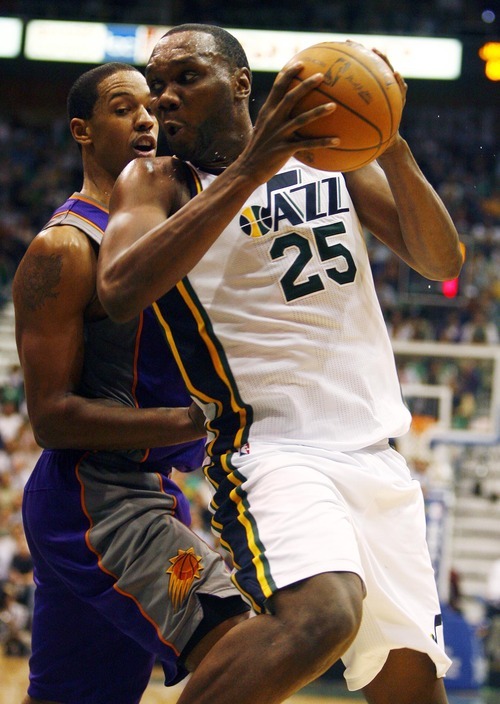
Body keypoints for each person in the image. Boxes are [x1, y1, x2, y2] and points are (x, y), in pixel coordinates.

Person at [97, 25, 464, 704]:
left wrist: (394, 145)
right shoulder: (155, 182)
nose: (164, 98)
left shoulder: (331, 159)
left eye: (186, 78)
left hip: (376, 457)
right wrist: (250, 169)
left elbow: (441, 261)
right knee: (322, 613)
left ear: (241, 84)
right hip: (274, 449)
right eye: (158, 84)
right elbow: (119, 291)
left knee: (411, 685)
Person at [12, 61, 249, 704]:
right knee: (243, 649)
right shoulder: (65, 249)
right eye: (124, 108)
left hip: (142, 491)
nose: (147, 117)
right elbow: (52, 418)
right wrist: (197, 420)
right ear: (82, 131)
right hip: (94, 499)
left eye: (152, 105)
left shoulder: (169, 227)